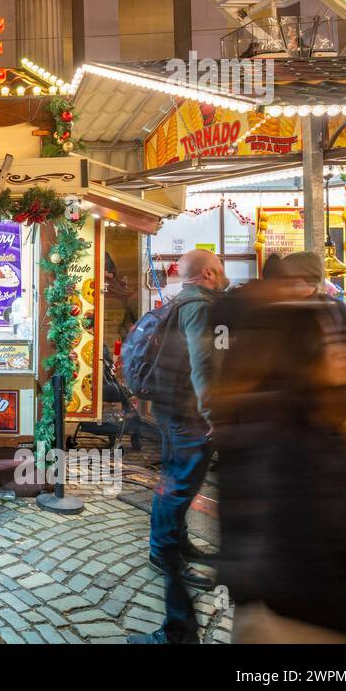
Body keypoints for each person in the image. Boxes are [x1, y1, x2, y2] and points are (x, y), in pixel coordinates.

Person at [210, 291, 346, 642]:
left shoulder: (254, 415)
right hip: (305, 624)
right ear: (307, 355)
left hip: (268, 615)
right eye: (331, 344)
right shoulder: (302, 438)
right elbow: (319, 550)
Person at [130, 247, 227, 645]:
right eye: (219, 271)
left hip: (172, 410)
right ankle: (165, 552)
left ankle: (175, 542)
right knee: (178, 486)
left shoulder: (178, 302)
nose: (223, 277)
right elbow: (201, 362)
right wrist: (211, 414)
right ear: (206, 273)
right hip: (188, 414)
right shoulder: (199, 307)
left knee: (173, 481)